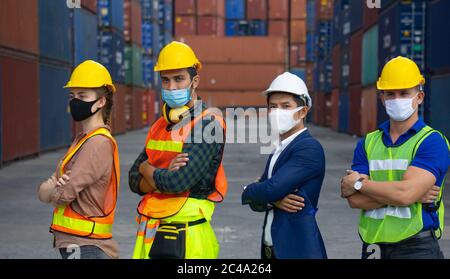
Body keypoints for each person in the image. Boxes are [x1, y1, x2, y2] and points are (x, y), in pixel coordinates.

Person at [341, 56, 449, 259]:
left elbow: (404, 194)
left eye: (404, 93)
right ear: (382, 98)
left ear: (419, 97)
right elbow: (355, 201)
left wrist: (359, 185)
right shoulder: (367, 143)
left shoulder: (432, 141)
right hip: (373, 247)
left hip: (417, 248)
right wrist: (411, 195)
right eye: (390, 94)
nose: (397, 99)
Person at [128, 41, 227, 259]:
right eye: (165, 80)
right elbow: (133, 181)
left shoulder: (208, 124)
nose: (172, 87)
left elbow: (177, 182)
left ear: (195, 81)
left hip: (189, 239)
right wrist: (157, 173)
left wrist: (148, 169)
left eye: (179, 79)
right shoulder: (159, 125)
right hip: (153, 235)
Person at [37, 60, 120, 259]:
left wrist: (54, 188)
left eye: (83, 96)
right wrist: (53, 188)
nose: (75, 101)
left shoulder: (98, 143)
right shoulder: (82, 140)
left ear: (101, 102)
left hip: (88, 246)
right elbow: (44, 192)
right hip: (78, 244)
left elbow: (62, 194)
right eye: (72, 96)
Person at [241, 72, 327, 259]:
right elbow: (259, 203)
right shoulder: (278, 149)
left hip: (297, 250)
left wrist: (249, 189)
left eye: (285, 106)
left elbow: (271, 188)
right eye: (273, 106)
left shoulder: (308, 148)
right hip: (271, 249)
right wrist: (271, 198)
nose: (277, 112)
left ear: (303, 111)